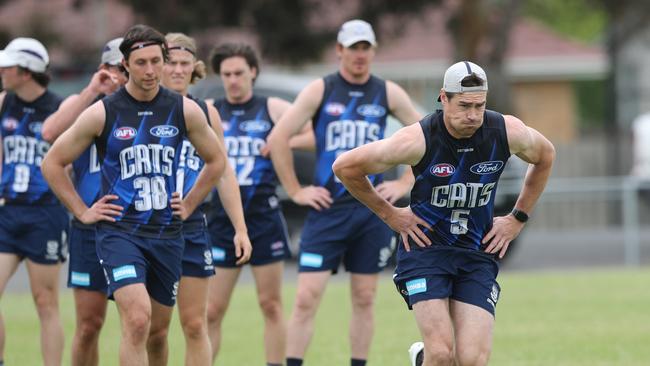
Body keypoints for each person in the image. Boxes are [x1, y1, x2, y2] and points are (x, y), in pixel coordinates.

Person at [332, 61, 556, 366]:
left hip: (476, 252)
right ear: (443, 98)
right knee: (440, 354)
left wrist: (517, 218)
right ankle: (427, 356)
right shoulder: (417, 140)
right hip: (426, 251)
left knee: (472, 360)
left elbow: (545, 156)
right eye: (464, 105)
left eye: (480, 105)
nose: (473, 115)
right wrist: (391, 215)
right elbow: (345, 167)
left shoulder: (506, 131)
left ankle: (421, 358)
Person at [41, 24, 227, 366]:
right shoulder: (103, 112)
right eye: (141, 63)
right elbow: (52, 163)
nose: (151, 70)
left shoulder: (184, 110)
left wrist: (188, 204)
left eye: (157, 61)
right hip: (119, 233)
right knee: (138, 319)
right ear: (125, 65)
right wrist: (82, 211)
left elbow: (217, 161)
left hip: (167, 235)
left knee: (157, 332)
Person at [266, 20, 422, 366]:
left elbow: (426, 136)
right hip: (328, 210)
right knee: (306, 297)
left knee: (365, 297)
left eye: (366, 48)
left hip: (373, 211)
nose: (359, 55)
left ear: (373, 51)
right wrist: (295, 190)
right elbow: (279, 137)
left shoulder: (388, 92)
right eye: (353, 48)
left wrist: (403, 183)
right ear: (339, 50)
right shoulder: (320, 90)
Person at [160, 32, 252, 366]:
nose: (178, 70)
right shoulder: (140, 109)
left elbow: (223, 171)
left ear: (194, 67)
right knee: (153, 328)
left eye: (185, 63)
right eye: (171, 62)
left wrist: (240, 228)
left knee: (197, 324)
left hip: (193, 227)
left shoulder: (205, 112)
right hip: (148, 228)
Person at [206, 42, 299, 366]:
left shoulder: (271, 108)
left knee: (271, 304)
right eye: (227, 74)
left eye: (239, 73)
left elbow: (317, 131)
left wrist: (280, 141)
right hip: (222, 220)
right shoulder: (210, 110)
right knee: (213, 310)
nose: (233, 80)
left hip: (263, 217)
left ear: (253, 73)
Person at [40, 37, 127, 366]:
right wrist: (92, 91)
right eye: (112, 68)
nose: (118, 76)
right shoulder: (84, 103)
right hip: (90, 228)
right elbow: (50, 134)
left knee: (140, 324)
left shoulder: (148, 107)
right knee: (89, 325)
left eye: (123, 68)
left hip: (136, 227)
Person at [0, 37, 66, 366]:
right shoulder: (3, 103)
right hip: (9, 210)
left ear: (27, 72)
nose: (1, 71)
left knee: (45, 301)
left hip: (46, 215)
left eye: (7, 66)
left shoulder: (60, 107)